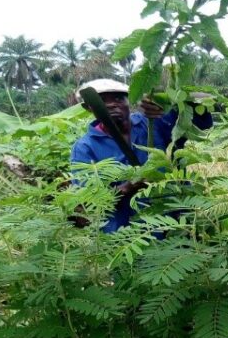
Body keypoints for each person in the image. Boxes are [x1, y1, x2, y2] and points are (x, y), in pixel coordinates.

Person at [70, 78, 213, 232]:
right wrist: (128, 187)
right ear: (89, 108)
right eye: (103, 101)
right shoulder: (84, 148)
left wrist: (164, 101)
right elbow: (89, 203)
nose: (111, 104)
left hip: (177, 224)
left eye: (118, 98)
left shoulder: (153, 122)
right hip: (127, 234)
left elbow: (203, 109)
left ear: (129, 101)